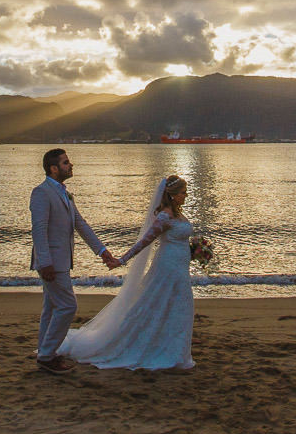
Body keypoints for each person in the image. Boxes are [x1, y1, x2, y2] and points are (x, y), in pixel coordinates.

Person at [57, 174, 195, 371]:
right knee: (160, 304)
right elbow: (144, 242)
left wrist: (196, 250)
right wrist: (121, 260)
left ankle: (176, 350)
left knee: (179, 306)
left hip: (181, 267)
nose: (186, 195)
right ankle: (155, 348)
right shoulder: (164, 216)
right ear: (172, 195)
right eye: (183, 192)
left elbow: (180, 239)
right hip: (168, 267)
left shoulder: (178, 214)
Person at [30, 148, 120, 375]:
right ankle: (47, 356)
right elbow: (39, 230)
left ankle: (44, 351)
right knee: (68, 306)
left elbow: (81, 225)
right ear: (53, 168)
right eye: (66, 163)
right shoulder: (41, 193)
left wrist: (102, 251)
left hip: (61, 261)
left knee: (51, 308)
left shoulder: (66, 194)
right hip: (51, 263)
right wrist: (45, 262)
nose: (71, 165)